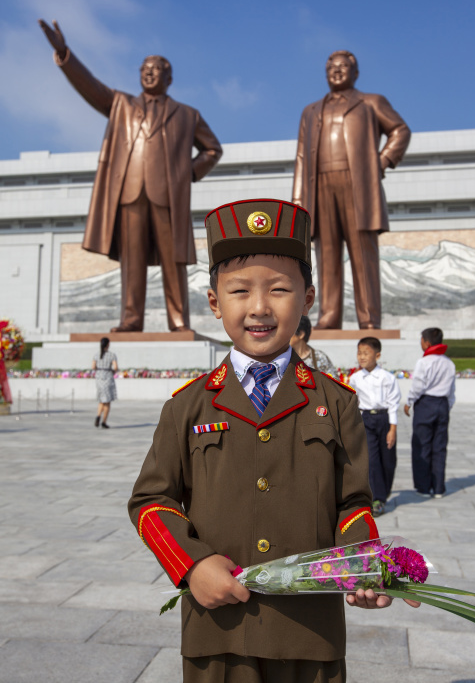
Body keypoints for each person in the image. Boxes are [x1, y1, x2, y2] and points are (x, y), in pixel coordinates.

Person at [128, 198, 418, 683]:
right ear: (215, 302)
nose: (259, 307)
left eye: (280, 289)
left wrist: (363, 561)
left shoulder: (335, 401)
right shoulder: (188, 405)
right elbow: (151, 501)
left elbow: (353, 503)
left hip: (310, 630)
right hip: (217, 632)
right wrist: (192, 566)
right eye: (239, 291)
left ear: (306, 300)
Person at [39, 19, 222, 332]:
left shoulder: (187, 115)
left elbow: (212, 149)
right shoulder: (121, 104)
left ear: (169, 77)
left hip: (167, 195)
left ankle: (178, 321)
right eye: (144, 68)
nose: (148, 72)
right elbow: (91, 86)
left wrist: (186, 174)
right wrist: (65, 54)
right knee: (132, 260)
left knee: (173, 260)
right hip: (130, 191)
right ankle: (131, 319)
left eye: (155, 68)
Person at [292, 50, 410, 330]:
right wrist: (298, 202)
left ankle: (369, 318)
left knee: (362, 253)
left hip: (358, 184)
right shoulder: (310, 111)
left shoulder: (370, 102)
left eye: (343, 66)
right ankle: (329, 316)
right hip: (320, 185)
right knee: (327, 253)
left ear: (355, 73)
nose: (337, 71)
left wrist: (381, 162)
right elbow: (300, 157)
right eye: (331, 67)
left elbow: (400, 130)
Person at [349, 337, 401, 517]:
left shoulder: (387, 378)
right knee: (371, 459)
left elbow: (393, 403)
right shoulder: (354, 378)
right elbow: (353, 402)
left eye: (366, 353)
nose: (361, 357)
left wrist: (392, 429)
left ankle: (384, 491)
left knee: (388, 460)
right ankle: (376, 499)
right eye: (359, 353)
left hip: (384, 419)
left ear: (377, 355)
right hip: (365, 420)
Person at [404, 328, 456, 498]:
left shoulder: (424, 362)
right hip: (441, 404)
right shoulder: (449, 362)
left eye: (421, 340)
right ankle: (439, 487)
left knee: (422, 445)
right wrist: (446, 407)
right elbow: (451, 391)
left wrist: (409, 401)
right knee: (439, 447)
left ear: (426, 342)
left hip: (426, 404)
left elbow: (418, 385)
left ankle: (424, 487)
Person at [92, 337, 118, 429]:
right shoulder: (111, 355)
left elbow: (93, 367)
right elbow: (115, 367)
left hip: (99, 378)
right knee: (107, 401)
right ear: (108, 344)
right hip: (108, 377)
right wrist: (112, 371)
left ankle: (98, 415)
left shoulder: (96, 355)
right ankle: (104, 421)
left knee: (101, 400)